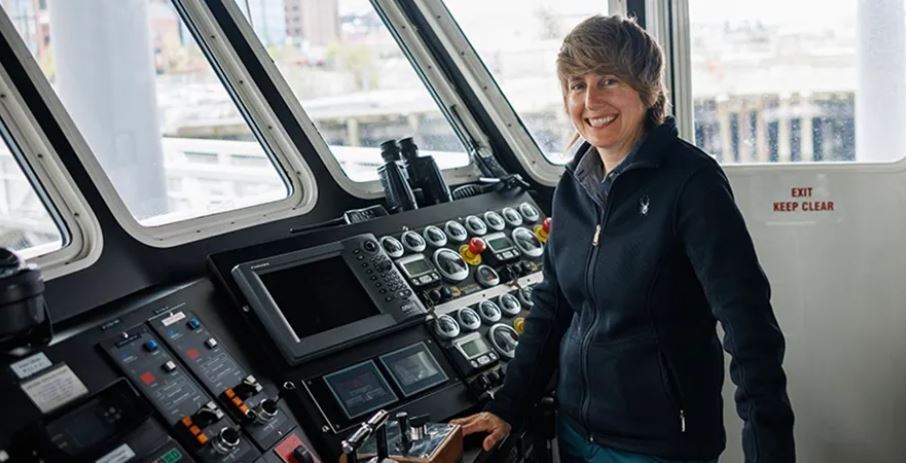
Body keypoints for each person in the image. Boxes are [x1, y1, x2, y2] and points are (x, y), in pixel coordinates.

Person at [451, 15, 795, 463]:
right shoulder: (572, 186)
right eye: (577, 85)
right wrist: (508, 406)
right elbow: (552, 306)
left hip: (661, 444)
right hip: (576, 432)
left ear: (648, 91)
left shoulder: (692, 183)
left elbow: (750, 331)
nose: (591, 100)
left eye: (608, 80)